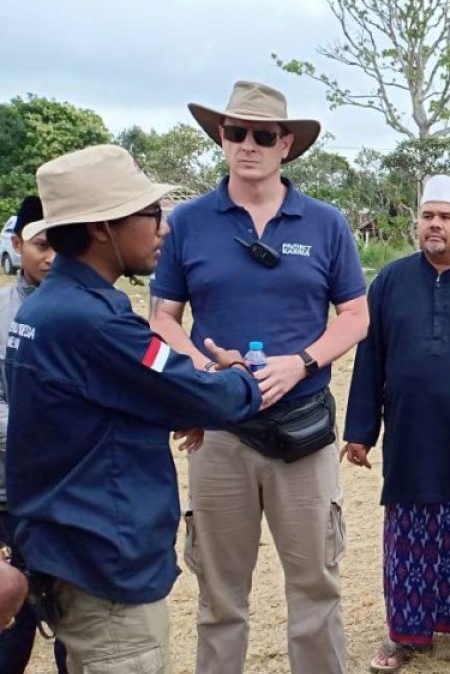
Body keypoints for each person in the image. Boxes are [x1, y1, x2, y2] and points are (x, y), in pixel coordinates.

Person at [5, 145, 263, 674]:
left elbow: (97, 406)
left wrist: (166, 401)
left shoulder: (42, 310)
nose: (163, 227)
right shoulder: (95, 321)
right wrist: (240, 375)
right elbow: (207, 395)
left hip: (69, 554)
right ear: (102, 228)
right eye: (150, 214)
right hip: (108, 574)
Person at [150, 81, 369, 674]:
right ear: (221, 138)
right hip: (219, 433)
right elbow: (162, 317)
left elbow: (356, 316)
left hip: (302, 430)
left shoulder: (325, 224)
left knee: (316, 591)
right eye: (235, 132)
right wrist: (200, 367)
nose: (247, 144)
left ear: (285, 144)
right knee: (220, 599)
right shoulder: (189, 223)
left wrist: (301, 361)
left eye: (262, 135)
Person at [343, 175, 450, 672]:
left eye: (446, 217)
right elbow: (370, 357)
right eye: (427, 215)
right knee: (407, 534)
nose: (434, 225)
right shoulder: (390, 281)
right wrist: (359, 431)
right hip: (410, 432)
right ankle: (405, 631)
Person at [0, 196, 65, 674]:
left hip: (68, 500)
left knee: (76, 631)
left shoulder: (93, 308)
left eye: (61, 244)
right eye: (42, 244)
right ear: (18, 243)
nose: (52, 256)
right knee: (12, 628)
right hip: (9, 498)